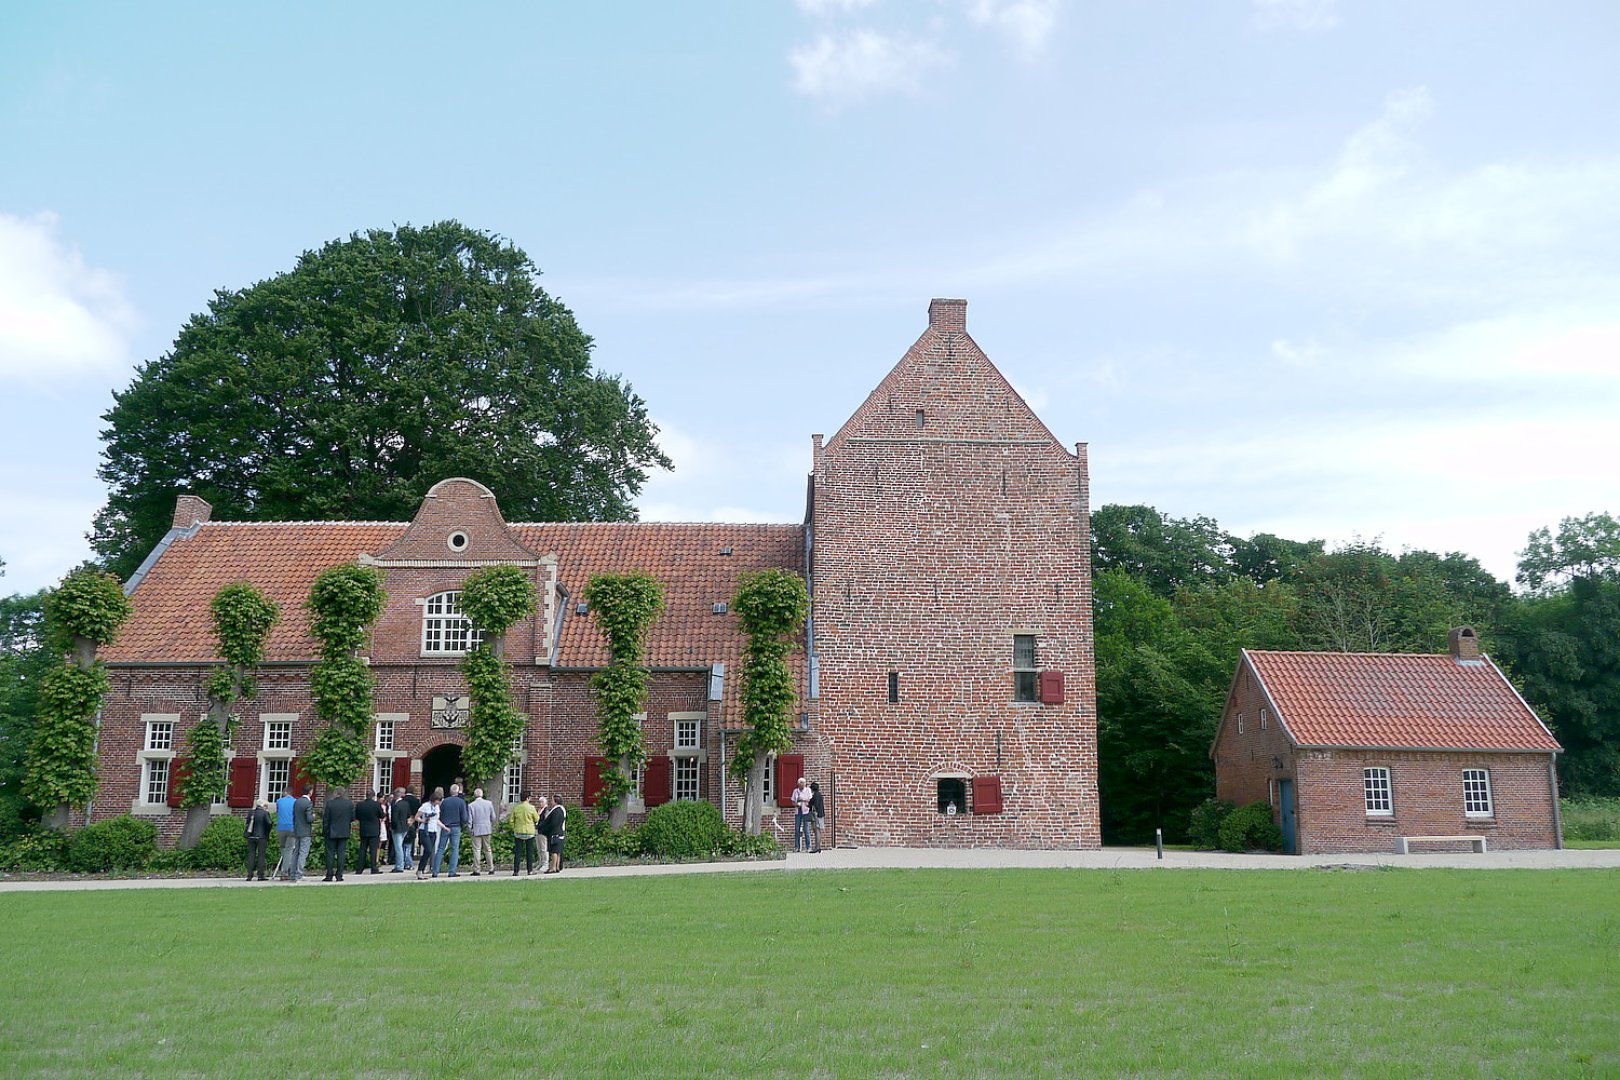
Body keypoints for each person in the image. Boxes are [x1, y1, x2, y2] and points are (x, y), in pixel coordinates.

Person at [322, 788, 356, 882]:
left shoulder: (330, 803)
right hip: (344, 831)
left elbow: (326, 819)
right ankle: (339, 875)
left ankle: (329, 875)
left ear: (336, 793)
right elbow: (353, 817)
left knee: (330, 853)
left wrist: (325, 831)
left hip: (331, 832)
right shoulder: (349, 804)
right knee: (341, 853)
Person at [437, 783, 468, 877]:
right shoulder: (461, 802)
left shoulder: (444, 801)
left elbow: (440, 814)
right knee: (454, 849)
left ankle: (435, 871)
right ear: (458, 792)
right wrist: (463, 824)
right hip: (456, 827)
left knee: (440, 849)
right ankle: (452, 871)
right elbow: (464, 817)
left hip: (445, 827)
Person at [507, 793, 540, 876]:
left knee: (518, 852)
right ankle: (530, 870)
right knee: (529, 852)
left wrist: (514, 828)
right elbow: (537, 819)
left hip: (518, 831)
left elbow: (511, 820)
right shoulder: (531, 808)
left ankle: (516, 871)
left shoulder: (516, 808)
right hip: (529, 832)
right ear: (528, 798)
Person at [415, 788, 444, 879]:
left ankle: (421, 870)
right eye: (438, 801)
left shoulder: (437, 807)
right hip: (425, 830)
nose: (439, 803)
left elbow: (436, 820)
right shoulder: (425, 806)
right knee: (427, 850)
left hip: (433, 830)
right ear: (434, 800)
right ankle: (420, 870)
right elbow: (416, 817)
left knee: (430, 850)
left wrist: (444, 827)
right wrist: (423, 820)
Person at [467, 787, 496, 876]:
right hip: (487, 828)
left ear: (474, 795)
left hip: (476, 829)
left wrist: (469, 829)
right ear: (482, 794)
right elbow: (493, 817)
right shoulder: (489, 803)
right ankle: (491, 868)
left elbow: (469, 820)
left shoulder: (471, 805)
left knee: (477, 849)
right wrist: (490, 824)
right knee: (488, 849)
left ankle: (477, 869)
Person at [355, 789, 384, 874]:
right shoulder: (376, 805)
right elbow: (382, 815)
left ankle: (359, 869)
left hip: (363, 829)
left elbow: (357, 816)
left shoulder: (360, 805)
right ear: (373, 796)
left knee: (362, 849)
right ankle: (374, 868)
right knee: (373, 850)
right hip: (374, 830)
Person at [244, 799, 273, 881]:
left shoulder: (251, 812)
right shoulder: (265, 813)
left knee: (251, 855)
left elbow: (247, 823)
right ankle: (260, 875)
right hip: (261, 837)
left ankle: (249, 875)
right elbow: (269, 823)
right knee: (261, 855)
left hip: (251, 836)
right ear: (263, 806)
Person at [291, 787, 315, 881]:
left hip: (297, 830)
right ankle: (299, 874)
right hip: (305, 831)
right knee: (303, 853)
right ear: (310, 792)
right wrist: (313, 817)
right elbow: (309, 819)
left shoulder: (297, 801)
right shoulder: (308, 803)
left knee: (296, 852)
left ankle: (293, 874)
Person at [274, 786, 297, 880]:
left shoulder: (279, 801)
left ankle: (286, 869)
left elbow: (278, 812)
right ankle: (286, 871)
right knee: (290, 849)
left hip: (281, 827)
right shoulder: (295, 802)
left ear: (285, 792)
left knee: (283, 848)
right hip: (291, 827)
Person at [389, 787, 414, 872]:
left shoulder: (396, 805)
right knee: (401, 846)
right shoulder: (405, 803)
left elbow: (394, 819)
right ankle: (401, 864)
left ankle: (399, 866)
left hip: (397, 829)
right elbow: (409, 815)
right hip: (405, 828)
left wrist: (392, 827)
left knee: (398, 847)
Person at [541, 795, 567, 874]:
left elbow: (553, 823)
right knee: (558, 851)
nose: (551, 802)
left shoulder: (556, 811)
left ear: (556, 801)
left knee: (554, 851)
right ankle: (557, 866)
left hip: (555, 833)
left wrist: (545, 829)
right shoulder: (561, 810)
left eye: (552, 800)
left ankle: (553, 867)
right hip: (560, 833)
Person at [400, 786, 422, 870]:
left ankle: (404, 861)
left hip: (403, 823)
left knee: (402, 844)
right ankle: (409, 859)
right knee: (410, 844)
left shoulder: (403, 800)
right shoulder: (416, 801)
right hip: (413, 823)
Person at [791, 777, 814, 853]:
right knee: (797, 829)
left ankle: (809, 847)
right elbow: (792, 801)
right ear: (798, 784)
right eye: (801, 783)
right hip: (798, 811)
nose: (803, 785)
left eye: (804, 783)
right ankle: (797, 847)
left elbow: (810, 801)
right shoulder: (795, 791)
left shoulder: (808, 790)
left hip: (806, 811)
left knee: (806, 829)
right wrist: (796, 804)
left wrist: (803, 799)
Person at [809, 781, 826, 853]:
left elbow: (814, 805)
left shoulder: (816, 795)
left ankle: (817, 847)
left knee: (817, 830)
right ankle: (818, 847)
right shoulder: (819, 795)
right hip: (820, 814)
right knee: (817, 830)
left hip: (817, 815)